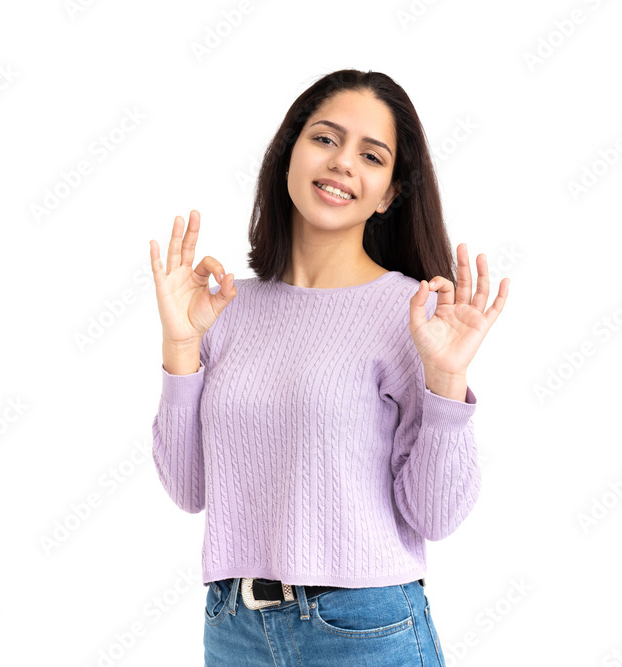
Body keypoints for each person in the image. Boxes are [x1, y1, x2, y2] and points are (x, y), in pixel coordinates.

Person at [148, 69, 509, 666]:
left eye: (371, 155)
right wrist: (181, 345)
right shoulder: (224, 309)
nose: (343, 162)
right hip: (234, 629)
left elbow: (437, 516)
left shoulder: (414, 313)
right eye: (325, 139)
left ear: (388, 193)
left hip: (365, 629)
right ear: (288, 153)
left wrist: (446, 380)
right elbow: (189, 490)